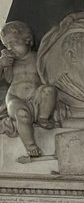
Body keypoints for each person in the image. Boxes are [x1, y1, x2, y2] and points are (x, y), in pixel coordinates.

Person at [0, 21, 57, 157]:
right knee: (21, 114)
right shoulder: (9, 62)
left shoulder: (38, 57)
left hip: (35, 97)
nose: (10, 48)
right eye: (7, 45)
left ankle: (43, 118)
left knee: (49, 90)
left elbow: (49, 76)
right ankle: (30, 145)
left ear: (27, 39)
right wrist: (2, 64)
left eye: (13, 42)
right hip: (15, 98)